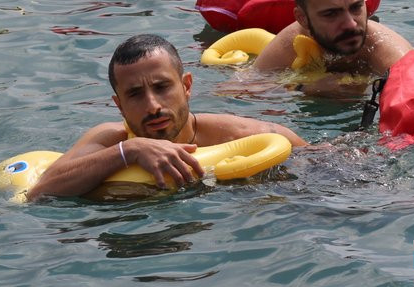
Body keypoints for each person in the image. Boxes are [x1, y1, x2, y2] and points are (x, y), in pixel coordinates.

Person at [27, 34, 306, 200]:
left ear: (186, 86)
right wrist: (129, 151)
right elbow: (41, 191)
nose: (152, 106)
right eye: (135, 94)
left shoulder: (237, 134)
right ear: (119, 105)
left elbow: (316, 163)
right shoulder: (111, 140)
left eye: (162, 87)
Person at [252, 0, 413, 79]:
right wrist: (303, 87)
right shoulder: (287, 48)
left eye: (356, 7)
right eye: (331, 14)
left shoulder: (385, 50)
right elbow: (242, 92)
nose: (350, 24)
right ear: (302, 19)